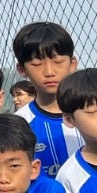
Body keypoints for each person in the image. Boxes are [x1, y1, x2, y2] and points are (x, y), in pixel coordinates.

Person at [13, 21, 83, 178]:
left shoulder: (95, 116)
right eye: (37, 63)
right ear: (22, 69)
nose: (49, 71)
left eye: (58, 62)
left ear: (72, 64)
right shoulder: (18, 125)